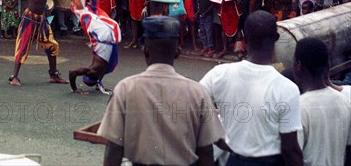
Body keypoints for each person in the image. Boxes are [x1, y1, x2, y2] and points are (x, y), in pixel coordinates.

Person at [98, 16, 224, 166]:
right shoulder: (198, 92)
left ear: (145, 51)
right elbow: (206, 151)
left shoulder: (125, 89)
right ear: (177, 52)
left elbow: (114, 149)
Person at [200, 11, 303, 166]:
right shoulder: (287, 88)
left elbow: (194, 107)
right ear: (276, 38)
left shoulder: (219, 74)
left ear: (245, 39)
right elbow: (290, 149)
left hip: (233, 159)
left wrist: (218, 139)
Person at [8, 0, 69, 87]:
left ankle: (53, 74)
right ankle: (14, 77)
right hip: (30, 18)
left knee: (52, 45)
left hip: (42, 19)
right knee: (23, 45)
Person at [292, 38, 351, 165]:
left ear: (298, 66)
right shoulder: (345, 101)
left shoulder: (299, 108)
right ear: (328, 66)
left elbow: (293, 156)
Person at [69, 0, 121, 95]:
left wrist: (75, 89)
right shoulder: (98, 72)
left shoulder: (92, 71)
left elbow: (72, 72)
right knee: (105, 23)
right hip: (104, 44)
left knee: (91, 17)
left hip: (103, 41)